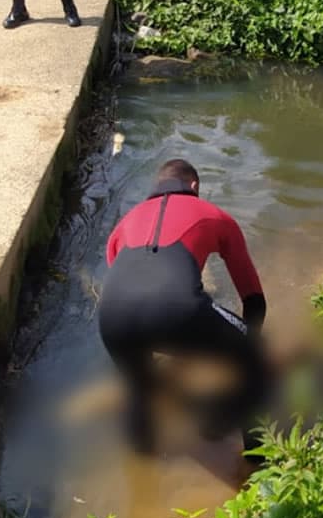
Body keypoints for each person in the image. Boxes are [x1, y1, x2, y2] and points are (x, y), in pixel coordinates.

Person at [99, 159, 268, 455]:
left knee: (138, 388)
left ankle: (143, 477)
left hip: (111, 317)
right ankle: (258, 463)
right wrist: (243, 348)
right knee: (254, 354)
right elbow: (253, 297)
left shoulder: (124, 224)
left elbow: (131, 294)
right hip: (178, 310)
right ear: (194, 187)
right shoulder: (215, 216)